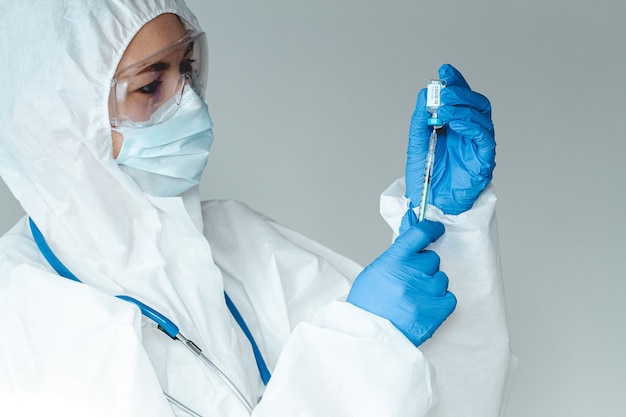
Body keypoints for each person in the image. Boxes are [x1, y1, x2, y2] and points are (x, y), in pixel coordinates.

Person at [0, 1, 514, 416]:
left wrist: (445, 223)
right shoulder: (23, 321)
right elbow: (369, 357)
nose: (190, 104)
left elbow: (444, 398)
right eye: (150, 85)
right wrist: (361, 350)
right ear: (59, 119)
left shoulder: (235, 242)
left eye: (187, 71)